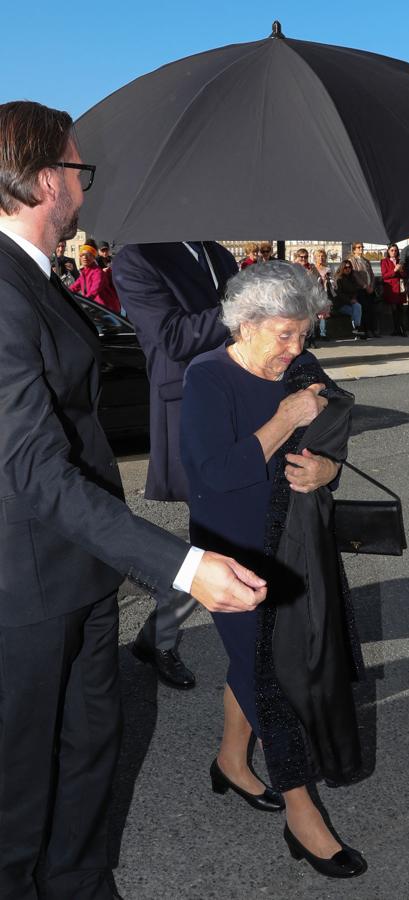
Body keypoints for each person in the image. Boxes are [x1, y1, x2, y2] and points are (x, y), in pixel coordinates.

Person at [0, 99, 267, 900]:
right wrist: (181, 566)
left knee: (90, 748)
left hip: (80, 568)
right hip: (25, 587)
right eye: (80, 168)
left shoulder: (33, 277)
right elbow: (34, 469)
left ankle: (79, 881)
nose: (89, 183)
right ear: (49, 180)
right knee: (19, 782)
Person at [180, 261, 367, 880]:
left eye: (305, 333)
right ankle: (300, 809)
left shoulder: (302, 367)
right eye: (284, 334)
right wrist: (285, 419)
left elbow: (336, 422)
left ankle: (232, 761)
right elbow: (214, 476)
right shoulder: (208, 377)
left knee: (255, 658)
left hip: (295, 540)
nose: (297, 349)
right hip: (231, 548)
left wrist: (328, 471)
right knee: (270, 672)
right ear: (245, 324)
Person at [112, 238, 238, 688]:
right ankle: (160, 637)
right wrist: (246, 307)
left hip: (237, 402)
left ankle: (160, 635)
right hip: (186, 411)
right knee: (217, 537)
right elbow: (172, 337)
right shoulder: (136, 256)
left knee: (230, 533)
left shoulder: (218, 253)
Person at [68, 242, 121, 312]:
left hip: (109, 311)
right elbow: (73, 287)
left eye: (88, 254)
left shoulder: (98, 273)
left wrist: (82, 302)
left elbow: (94, 291)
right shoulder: (84, 273)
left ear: (93, 257)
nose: (85, 257)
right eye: (82, 255)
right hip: (96, 308)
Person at [348, 241, 378, 336]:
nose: (361, 249)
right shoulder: (352, 261)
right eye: (358, 247)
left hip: (370, 288)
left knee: (372, 310)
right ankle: (365, 330)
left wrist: (372, 286)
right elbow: (355, 275)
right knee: (364, 310)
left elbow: (372, 274)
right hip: (361, 289)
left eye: (362, 247)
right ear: (354, 250)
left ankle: (373, 329)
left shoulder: (366, 260)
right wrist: (365, 286)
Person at [381, 242, 407, 335]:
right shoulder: (384, 261)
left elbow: (405, 275)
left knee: (401, 309)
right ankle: (398, 329)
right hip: (391, 289)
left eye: (395, 250)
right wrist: (394, 270)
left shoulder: (400, 261)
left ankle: (401, 328)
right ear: (388, 251)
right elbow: (384, 276)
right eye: (392, 250)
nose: (394, 252)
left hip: (400, 288)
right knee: (394, 309)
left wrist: (401, 270)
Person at [334, 259, 366, 338]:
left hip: (352, 303)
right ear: (342, 268)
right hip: (341, 304)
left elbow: (355, 291)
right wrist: (350, 300)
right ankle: (357, 329)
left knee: (357, 307)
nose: (348, 269)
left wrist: (354, 299)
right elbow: (339, 294)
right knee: (356, 309)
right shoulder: (338, 279)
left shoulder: (352, 278)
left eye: (349, 267)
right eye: (345, 268)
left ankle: (357, 330)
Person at [313, 247, 334, 341]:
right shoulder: (312, 268)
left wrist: (329, 280)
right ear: (315, 257)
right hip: (314, 294)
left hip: (324, 294)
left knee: (323, 315)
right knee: (314, 315)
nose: (321, 258)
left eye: (322, 256)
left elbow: (334, 283)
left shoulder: (328, 269)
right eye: (318, 256)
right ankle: (313, 333)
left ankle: (322, 333)